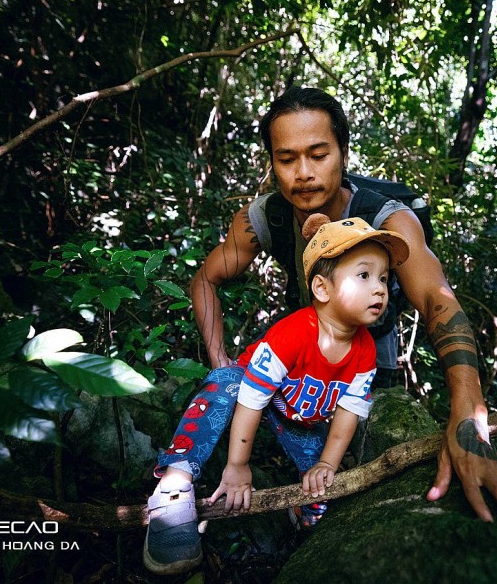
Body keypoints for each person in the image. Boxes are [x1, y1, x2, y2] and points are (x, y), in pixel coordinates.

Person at [189, 86, 497, 538]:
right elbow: (206, 278)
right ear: (271, 163)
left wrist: (468, 417)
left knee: (373, 444)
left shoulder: (385, 218)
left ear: (343, 152)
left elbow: (436, 298)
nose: (303, 173)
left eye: (319, 154)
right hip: (303, 358)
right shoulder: (267, 217)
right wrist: (219, 358)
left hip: (371, 360)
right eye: (286, 158)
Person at [144, 215, 411, 575]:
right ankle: (173, 488)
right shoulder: (294, 333)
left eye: (383, 278)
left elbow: (347, 414)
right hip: (250, 394)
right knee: (225, 381)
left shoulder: (365, 351)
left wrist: (327, 465)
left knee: (323, 493)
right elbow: (253, 399)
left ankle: (298, 518)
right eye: (364, 275)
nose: (379, 288)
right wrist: (238, 466)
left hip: (297, 416)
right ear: (322, 288)